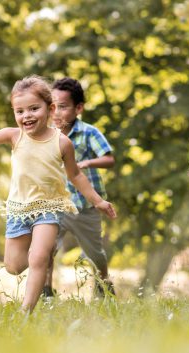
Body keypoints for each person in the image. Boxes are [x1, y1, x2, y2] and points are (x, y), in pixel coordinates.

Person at [0, 75, 117, 312]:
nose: (26, 116)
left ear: (50, 109)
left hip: (50, 207)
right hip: (19, 209)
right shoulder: (14, 136)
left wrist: (97, 201)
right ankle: (40, 254)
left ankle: (25, 311)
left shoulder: (62, 142)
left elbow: (76, 175)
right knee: (13, 266)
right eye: (20, 111)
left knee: (38, 258)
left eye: (34, 109)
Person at [43, 77, 115, 298]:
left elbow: (108, 158)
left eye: (63, 107)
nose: (56, 113)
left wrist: (86, 163)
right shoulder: (46, 134)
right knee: (45, 250)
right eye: (52, 107)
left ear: (79, 108)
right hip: (55, 205)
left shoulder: (88, 132)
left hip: (84, 206)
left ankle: (104, 285)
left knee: (96, 254)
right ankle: (46, 291)